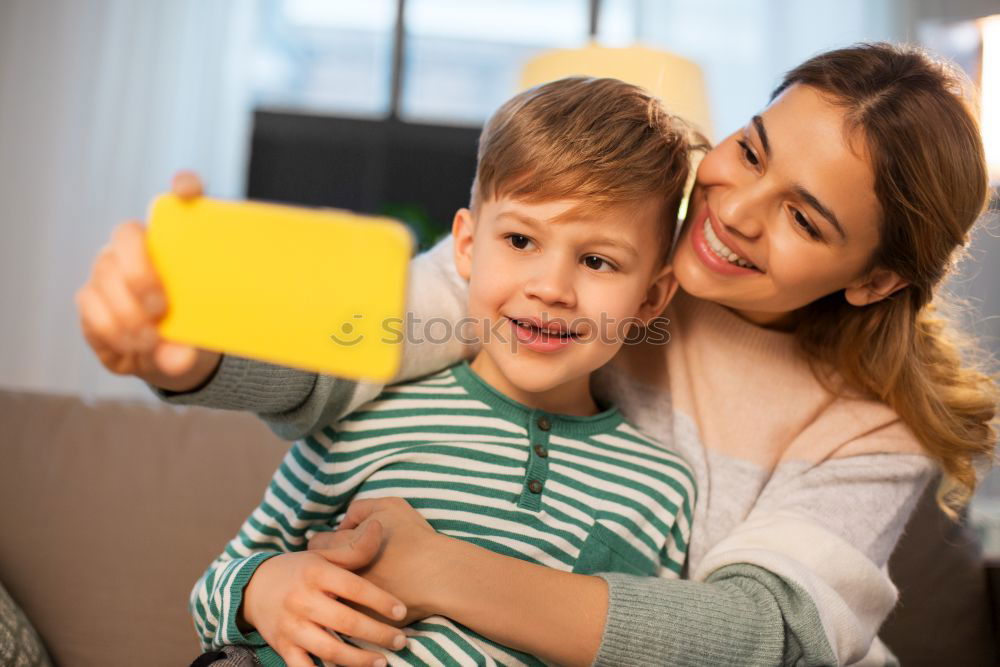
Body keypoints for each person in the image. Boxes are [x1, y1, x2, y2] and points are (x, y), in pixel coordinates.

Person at [76, 43, 998, 666]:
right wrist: (182, 359)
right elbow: (362, 343)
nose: (737, 209)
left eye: (804, 216)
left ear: (874, 278)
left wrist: (439, 570)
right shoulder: (572, 252)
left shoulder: (870, 431)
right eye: (751, 150)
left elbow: (761, 633)